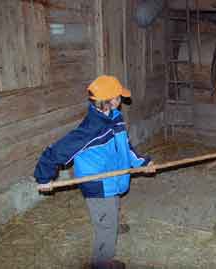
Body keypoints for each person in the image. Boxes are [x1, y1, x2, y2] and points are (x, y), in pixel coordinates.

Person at [34, 75, 155, 269]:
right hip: (98, 184)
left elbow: (125, 146)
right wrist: (43, 177)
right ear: (109, 101)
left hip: (113, 178)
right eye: (119, 97)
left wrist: (142, 162)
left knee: (112, 209)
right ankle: (102, 262)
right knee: (105, 227)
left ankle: (110, 224)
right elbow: (56, 151)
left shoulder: (115, 118)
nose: (121, 100)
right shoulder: (90, 130)